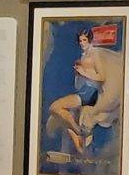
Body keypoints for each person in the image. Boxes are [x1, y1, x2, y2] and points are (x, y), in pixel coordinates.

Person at [41, 28, 121, 167]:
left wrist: (83, 72)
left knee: (55, 107)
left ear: (90, 40)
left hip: (90, 93)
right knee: (60, 114)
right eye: (80, 41)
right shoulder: (86, 55)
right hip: (84, 91)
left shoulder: (95, 54)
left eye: (84, 40)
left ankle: (79, 132)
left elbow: (101, 77)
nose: (82, 43)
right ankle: (80, 136)